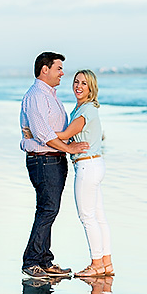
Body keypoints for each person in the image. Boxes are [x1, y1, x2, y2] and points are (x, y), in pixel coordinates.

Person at [20, 53, 89, 279]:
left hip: (53, 158)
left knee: (50, 210)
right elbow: (42, 134)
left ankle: (44, 260)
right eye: (58, 68)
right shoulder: (37, 96)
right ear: (44, 70)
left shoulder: (49, 95)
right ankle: (31, 262)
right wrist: (69, 148)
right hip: (44, 159)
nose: (62, 73)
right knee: (47, 210)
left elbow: (51, 131)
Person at [55, 70, 114, 277]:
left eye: (83, 83)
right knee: (98, 217)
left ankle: (96, 264)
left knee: (87, 217)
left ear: (91, 88)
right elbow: (72, 138)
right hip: (95, 164)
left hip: (87, 166)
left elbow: (65, 134)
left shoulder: (85, 110)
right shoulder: (83, 108)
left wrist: (38, 133)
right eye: (76, 82)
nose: (78, 86)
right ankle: (106, 263)